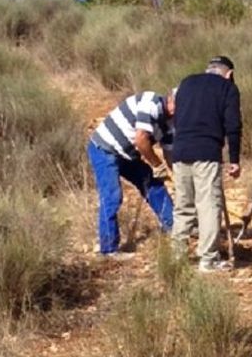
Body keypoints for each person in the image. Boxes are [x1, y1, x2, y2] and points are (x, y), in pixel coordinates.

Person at [171, 56, 242, 273]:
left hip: (180, 151)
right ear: (228, 74)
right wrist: (235, 159)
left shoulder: (186, 83)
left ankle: (176, 258)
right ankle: (208, 260)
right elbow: (233, 126)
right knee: (208, 205)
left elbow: (176, 117)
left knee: (183, 206)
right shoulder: (227, 88)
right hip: (206, 153)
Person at [87, 90, 175, 258]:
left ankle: (173, 226)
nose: (176, 112)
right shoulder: (149, 102)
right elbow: (141, 140)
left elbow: (169, 154)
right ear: (169, 99)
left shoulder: (171, 123)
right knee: (112, 196)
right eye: (177, 106)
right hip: (105, 149)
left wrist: (175, 177)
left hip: (127, 155)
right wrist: (157, 165)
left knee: (154, 184)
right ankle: (108, 250)